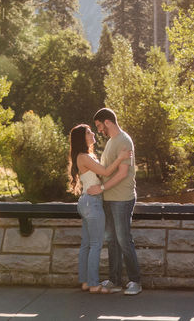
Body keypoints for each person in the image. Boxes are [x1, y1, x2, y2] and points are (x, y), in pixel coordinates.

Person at [68, 123, 130, 294]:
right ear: (83, 138)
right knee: (95, 245)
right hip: (92, 203)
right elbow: (105, 172)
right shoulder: (84, 157)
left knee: (87, 245)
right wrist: (121, 157)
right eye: (89, 132)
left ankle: (85, 282)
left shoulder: (86, 156)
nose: (92, 133)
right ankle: (94, 284)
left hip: (86, 202)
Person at [93, 107, 142, 295]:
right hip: (109, 199)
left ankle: (135, 281)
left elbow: (122, 174)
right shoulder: (111, 142)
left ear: (107, 122)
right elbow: (107, 169)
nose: (98, 130)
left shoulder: (124, 140)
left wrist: (103, 188)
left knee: (123, 239)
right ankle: (114, 281)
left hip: (122, 199)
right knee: (111, 240)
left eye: (99, 126)